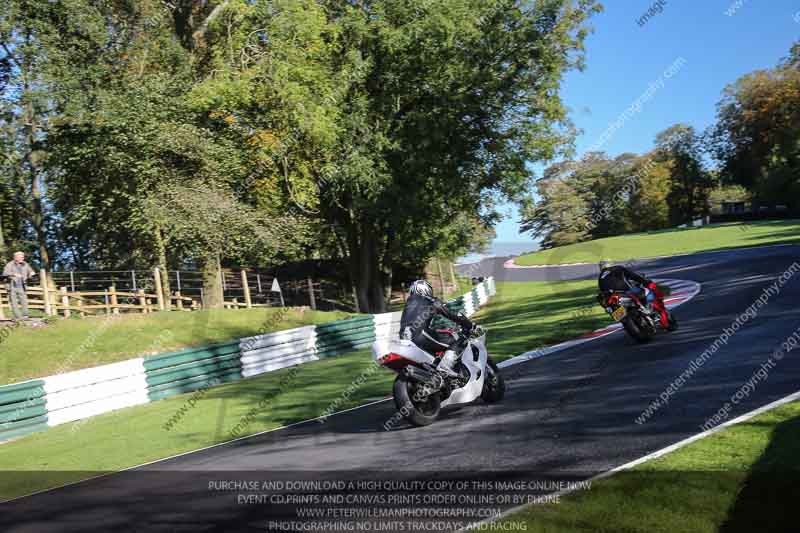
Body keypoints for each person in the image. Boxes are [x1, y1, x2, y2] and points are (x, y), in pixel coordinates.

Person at [399, 279, 474, 377]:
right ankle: (446, 366)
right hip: (419, 335)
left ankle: (434, 373)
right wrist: (467, 323)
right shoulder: (428, 300)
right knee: (457, 338)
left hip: (404, 339)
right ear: (426, 290)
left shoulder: (408, 304)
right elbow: (448, 313)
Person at [597, 261, 668, 326]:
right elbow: (632, 275)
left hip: (613, 298)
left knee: (619, 314)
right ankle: (650, 311)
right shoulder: (617, 268)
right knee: (644, 292)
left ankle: (641, 315)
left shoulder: (600, 277)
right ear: (610, 265)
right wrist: (644, 281)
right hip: (625, 290)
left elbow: (602, 291)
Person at [3, 252, 36, 320]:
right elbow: (5, 274)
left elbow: (30, 271)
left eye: (23, 257)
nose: (22, 258)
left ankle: (25, 316)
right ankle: (17, 317)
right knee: (14, 302)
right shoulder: (9, 265)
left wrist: (32, 273)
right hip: (12, 286)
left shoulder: (25, 264)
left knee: (24, 301)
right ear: (15, 257)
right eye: (21, 257)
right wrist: (14, 274)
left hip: (22, 285)